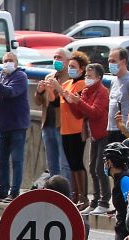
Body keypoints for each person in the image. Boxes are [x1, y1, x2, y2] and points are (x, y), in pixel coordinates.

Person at [0, 50, 29, 201]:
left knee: (16, 160)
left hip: (17, 125)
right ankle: (2, 190)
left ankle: (14, 192)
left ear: (16, 63)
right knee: (1, 160)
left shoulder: (20, 76)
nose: (7, 63)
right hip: (2, 125)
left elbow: (9, 92)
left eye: (10, 60)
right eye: (5, 60)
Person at [73, 64, 111, 213]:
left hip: (103, 133)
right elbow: (80, 113)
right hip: (93, 134)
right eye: (86, 76)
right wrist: (73, 102)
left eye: (90, 77)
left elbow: (95, 112)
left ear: (99, 77)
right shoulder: (87, 91)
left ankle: (104, 201)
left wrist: (79, 102)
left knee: (100, 169)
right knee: (92, 168)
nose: (87, 79)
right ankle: (95, 201)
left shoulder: (102, 92)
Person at [56, 52, 91, 209]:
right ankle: (75, 194)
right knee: (71, 163)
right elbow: (56, 104)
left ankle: (83, 196)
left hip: (77, 128)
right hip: (66, 129)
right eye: (69, 66)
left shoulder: (82, 84)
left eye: (73, 67)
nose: (70, 69)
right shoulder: (66, 84)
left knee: (78, 162)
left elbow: (74, 102)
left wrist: (60, 90)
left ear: (82, 69)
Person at [36, 49, 73, 184]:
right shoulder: (49, 77)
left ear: (68, 61)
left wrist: (57, 88)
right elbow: (39, 102)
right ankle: (54, 190)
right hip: (47, 124)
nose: (56, 60)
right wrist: (39, 92)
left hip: (62, 125)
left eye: (60, 58)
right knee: (52, 163)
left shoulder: (71, 79)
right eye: (55, 57)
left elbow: (66, 101)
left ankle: (66, 191)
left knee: (64, 163)